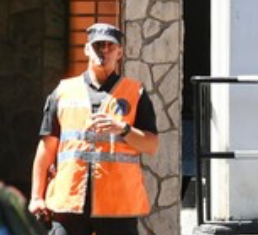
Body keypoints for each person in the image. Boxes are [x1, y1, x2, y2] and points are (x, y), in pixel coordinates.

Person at [28, 23, 160, 235]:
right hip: (69, 202)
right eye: (98, 45)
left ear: (120, 52)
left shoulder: (135, 93)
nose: (104, 50)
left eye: (110, 45)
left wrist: (123, 129)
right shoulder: (63, 92)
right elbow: (46, 150)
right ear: (87, 49)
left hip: (118, 205)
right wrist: (36, 197)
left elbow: (152, 145)